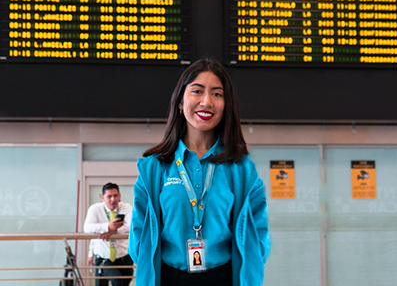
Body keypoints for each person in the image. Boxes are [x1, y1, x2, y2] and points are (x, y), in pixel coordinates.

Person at [128, 58, 271, 286]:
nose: (207, 101)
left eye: (217, 94)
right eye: (197, 91)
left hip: (224, 278)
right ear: (180, 102)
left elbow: (259, 238)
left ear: (227, 105)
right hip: (168, 278)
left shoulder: (243, 170)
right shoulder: (153, 169)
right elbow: (139, 240)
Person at [84, 183, 133, 286]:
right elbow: (88, 228)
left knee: (123, 283)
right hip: (104, 258)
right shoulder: (95, 209)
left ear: (119, 196)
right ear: (102, 198)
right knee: (117, 281)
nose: (112, 199)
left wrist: (112, 231)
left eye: (115, 196)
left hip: (124, 257)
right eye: (109, 196)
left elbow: (132, 227)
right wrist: (107, 227)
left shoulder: (127, 208)